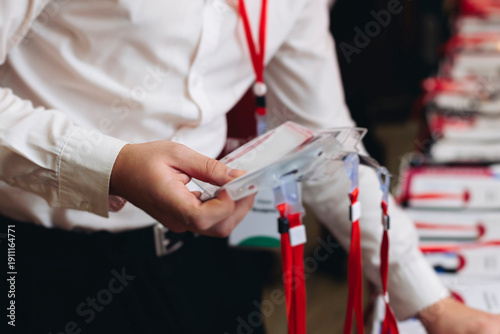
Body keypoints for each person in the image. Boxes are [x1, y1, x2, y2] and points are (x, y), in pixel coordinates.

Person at [0, 1, 499, 333]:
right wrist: (111, 166)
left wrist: (431, 302)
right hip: (43, 259)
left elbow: (321, 138)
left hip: (206, 253)